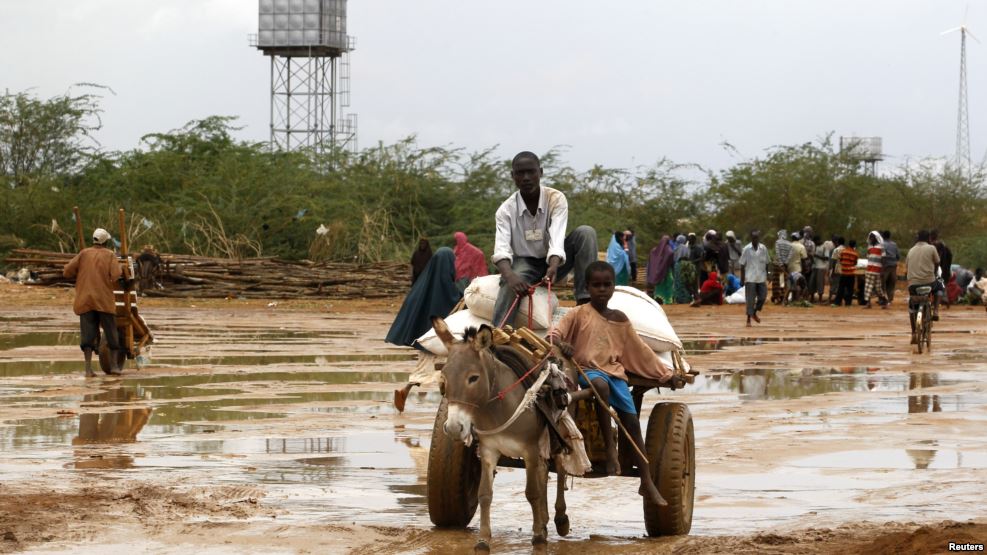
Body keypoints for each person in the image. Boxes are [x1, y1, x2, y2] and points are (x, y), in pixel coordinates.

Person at [548, 261, 671, 508]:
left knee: (633, 422)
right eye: (596, 285)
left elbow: (640, 351)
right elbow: (554, 334)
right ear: (587, 287)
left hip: (615, 375)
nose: (602, 290)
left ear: (614, 287)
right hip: (588, 372)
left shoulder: (620, 319)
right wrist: (563, 346)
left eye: (607, 285)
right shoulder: (578, 313)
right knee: (600, 386)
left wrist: (666, 374)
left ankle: (646, 481)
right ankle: (610, 451)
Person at [491, 151, 598, 327]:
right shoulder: (505, 210)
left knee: (586, 233)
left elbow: (557, 236)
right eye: (520, 173)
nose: (526, 178)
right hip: (524, 264)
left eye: (531, 172)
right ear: (513, 176)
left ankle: (585, 303)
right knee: (510, 281)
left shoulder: (555, 199)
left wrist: (554, 265)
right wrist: (510, 276)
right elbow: (501, 250)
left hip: (555, 262)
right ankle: (498, 334)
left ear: (540, 172)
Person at [387, 248, 462, 411]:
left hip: (427, 339)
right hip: (441, 339)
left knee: (425, 368)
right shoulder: (446, 285)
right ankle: (447, 403)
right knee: (447, 369)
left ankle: (406, 391)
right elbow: (454, 301)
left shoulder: (424, 284)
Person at [62, 228, 124, 377]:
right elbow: (116, 275)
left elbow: (67, 272)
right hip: (103, 299)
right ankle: (115, 366)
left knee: (87, 335)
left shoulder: (83, 253)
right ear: (106, 241)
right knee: (111, 332)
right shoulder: (110, 255)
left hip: (85, 299)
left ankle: (88, 369)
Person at [905, 230, 941, 341]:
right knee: (940, 287)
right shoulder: (931, 248)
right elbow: (937, 262)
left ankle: (913, 333)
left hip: (913, 285)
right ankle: (935, 310)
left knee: (912, 307)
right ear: (929, 238)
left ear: (917, 238)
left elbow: (907, 266)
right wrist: (934, 274)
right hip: (929, 282)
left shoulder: (910, 250)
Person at [739, 230, 769, 327]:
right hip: (750, 277)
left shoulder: (763, 248)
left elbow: (767, 262)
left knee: (763, 297)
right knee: (750, 300)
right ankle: (748, 319)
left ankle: (754, 312)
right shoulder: (746, 249)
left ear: (759, 238)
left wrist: (768, 275)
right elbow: (742, 264)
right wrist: (742, 278)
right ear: (751, 238)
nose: (755, 239)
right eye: (753, 237)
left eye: (757, 237)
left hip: (761, 277)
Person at [863, 231, 889, 309]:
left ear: (876, 238)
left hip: (877, 270)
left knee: (878, 288)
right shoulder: (869, 247)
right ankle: (868, 303)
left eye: (872, 237)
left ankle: (885, 301)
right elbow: (868, 257)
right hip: (869, 269)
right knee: (868, 287)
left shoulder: (881, 246)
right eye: (870, 237)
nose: (871, 238)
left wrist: (882, 270)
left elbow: (884, 259)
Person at [646, 235, 675, 304]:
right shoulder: (670, 251)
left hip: (657, 275)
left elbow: (651, 263)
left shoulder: (653, 251)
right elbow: (672, 264)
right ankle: (668, 301)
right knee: (668, 287)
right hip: (667, 273)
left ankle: (658, 299)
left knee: (659, 287)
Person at [930, 229, 953, 308]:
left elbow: (935, 259)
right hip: (945, 269)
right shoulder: (945, 246)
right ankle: (945, 301)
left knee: (936, 285)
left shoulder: (933, 246)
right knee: (942, 285)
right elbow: (950, 257)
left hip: (937, 269)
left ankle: (935, 302)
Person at [833, 239, 859, 307]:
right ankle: (848, 303)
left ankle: (837, 302)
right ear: (854, 245)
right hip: (851, 273)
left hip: (844, 272)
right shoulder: (855, 253)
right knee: (850, 289)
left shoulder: (843, 251)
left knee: (841, 288)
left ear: (848, 244)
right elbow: (855, 263)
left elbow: (840, 260)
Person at [810, 233, 833, 303]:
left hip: (821, 267)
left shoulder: (824, 247)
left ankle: (820, 299)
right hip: (814, 266)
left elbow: (826, 258)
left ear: (818, 240)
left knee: (820, 283)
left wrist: (816, 255)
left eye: (815, 242)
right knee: (812, 282)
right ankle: (812, 298)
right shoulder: (815, 246)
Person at [880, 230, 899, 303]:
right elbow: (898, 256)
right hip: (893, 266)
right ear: (890, 236)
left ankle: (882, 299)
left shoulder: (882, 244)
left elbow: (881, 256)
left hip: (885, 266)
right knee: (891, 283)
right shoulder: (894, 244)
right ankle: (890, 299)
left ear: (883, 236)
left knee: (882, 283)